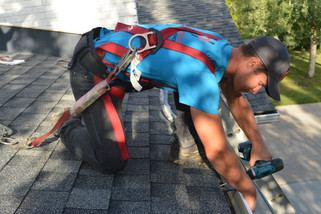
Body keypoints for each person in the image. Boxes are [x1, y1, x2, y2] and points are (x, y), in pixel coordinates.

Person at [57, 23, 290, 211]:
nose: (257, 91)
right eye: (261, 83)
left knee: (201, 90)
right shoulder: (199, 71)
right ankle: (69, 127)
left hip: (120, 67)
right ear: (252, 63)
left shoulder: (219, 46)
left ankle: (186, 146)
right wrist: (247, 190)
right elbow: (217, 152)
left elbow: (235, 98)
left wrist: (259, 145)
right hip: (93, 69)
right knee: (110, 161)